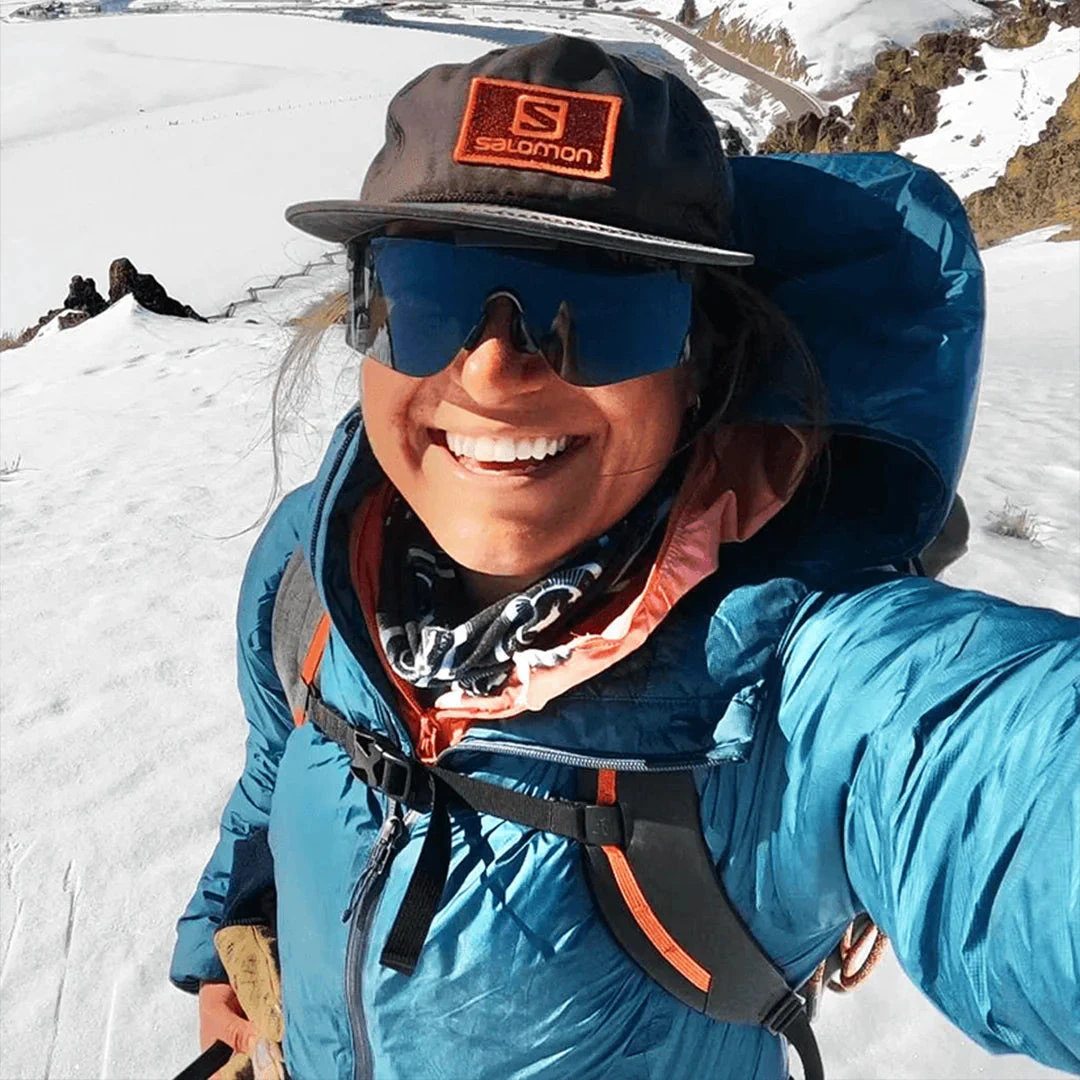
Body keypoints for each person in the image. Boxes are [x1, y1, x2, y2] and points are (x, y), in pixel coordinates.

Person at [171, 35, 1079, 1080]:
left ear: (704, 363)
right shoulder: (311, 566)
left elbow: (1004, 785)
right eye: (427, 290)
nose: (494, 370)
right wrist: (225, 940)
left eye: (599, 305)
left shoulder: (790, 698)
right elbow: (274, 771)